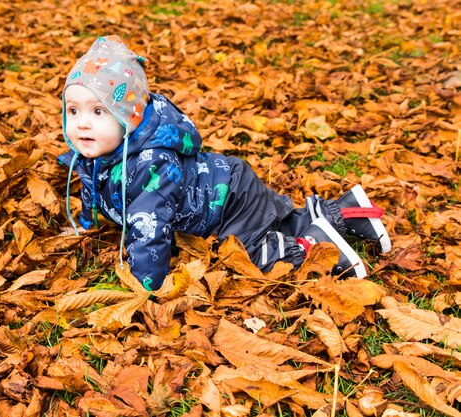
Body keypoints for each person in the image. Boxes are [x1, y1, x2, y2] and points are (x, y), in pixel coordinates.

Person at [58, 35, 391, 291]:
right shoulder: (95, 151)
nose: (83, 123)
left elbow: (149, 230)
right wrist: (87, 226)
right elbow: (94, 186)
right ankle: (347, 211)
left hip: (227, 203)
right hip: (228, 182)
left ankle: (315, 248)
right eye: (74, 111)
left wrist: (146, 285)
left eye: (99, 111)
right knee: (282, 221)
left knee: (250, 256)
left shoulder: (149, 166)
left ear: (130, 116)